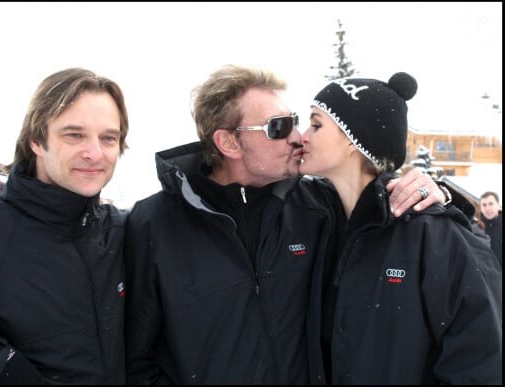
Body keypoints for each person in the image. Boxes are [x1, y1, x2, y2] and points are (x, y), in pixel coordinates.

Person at [124, 64, 446, 385]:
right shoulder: (154, 225)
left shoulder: (317, 208)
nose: (297, 137)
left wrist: (434, 192)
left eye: (294, 121)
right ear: (229, 143)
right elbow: (137, 359)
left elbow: (379, 202)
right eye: (278, 127)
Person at [0, 68, 129, 384]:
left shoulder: (124, 236)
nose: (94, 153)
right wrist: (1, 370)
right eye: (74, 135)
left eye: (108, 138)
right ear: (36, 139)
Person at [300, 72, 502, 384]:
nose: (302, 136)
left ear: (354, 140)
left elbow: (482, 362)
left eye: (315, 124)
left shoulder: (435, 237)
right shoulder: (317, 225)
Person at [480, 191, 502, 267]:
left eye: (491, 204)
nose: (487, 208)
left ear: (499, 206)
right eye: (484, 205)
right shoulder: (475, 228)